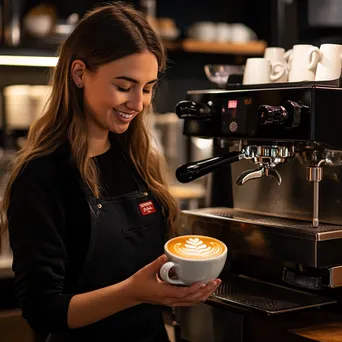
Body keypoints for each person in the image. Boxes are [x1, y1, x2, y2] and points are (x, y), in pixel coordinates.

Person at [0, 2, 221, 341]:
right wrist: (134, 291)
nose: (138, 103)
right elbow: (42, 310)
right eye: (123, 86)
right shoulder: (41, 176)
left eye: (147, 88)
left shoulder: (135, 162)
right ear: (79, 74)